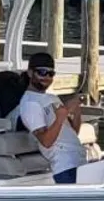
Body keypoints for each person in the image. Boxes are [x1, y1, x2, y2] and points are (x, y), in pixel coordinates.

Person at [13, 51, 85, 184]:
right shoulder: (30, 103)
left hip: (80, 160)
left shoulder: (52, 97)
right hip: (65, 167)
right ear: (30, 73)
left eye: (51, 73)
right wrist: (59, 118)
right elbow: (46, 142)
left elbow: (73, 132)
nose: (46, 77)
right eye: (41, 72)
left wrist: (77, 111)